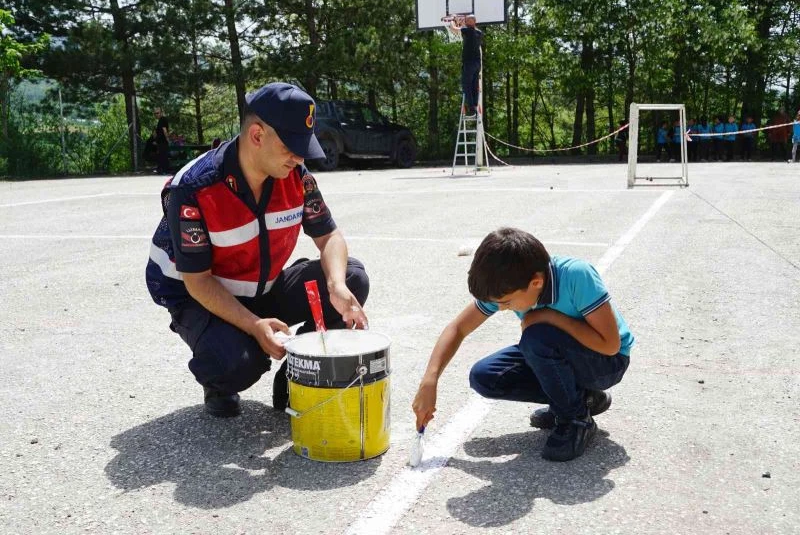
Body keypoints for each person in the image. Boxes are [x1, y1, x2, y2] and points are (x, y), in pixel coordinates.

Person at [145, 82, 370, 418]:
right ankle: (218, 380)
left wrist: (336, 284)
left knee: (353, 277)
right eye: (291, 147)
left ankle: (299, 375)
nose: (300, 158)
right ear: (256, 135)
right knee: (237, 363)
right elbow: (197, 281)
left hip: (262, 284)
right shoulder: (194, 188)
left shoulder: (295, 175)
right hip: (202, 297)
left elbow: (330, 237)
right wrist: (254, 326)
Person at [412, 228, 634, 462]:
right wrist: (430, 380)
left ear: (536, 282)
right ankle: (581, 399)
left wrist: (549, 316)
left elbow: (610, 345)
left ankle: (576, 419)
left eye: (506, 302)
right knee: (485, 376)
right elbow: (458, 328)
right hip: (557, 351)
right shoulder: (511, 284)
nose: (501, 308)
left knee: (537, 337)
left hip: (607, 362)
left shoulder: (576, 276)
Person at [449, 14, 483, 115]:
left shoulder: (467, 31)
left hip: (469, 63)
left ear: (470, 22)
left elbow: (454, 29)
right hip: (477, 64)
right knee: (474, 86)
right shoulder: (479, 33)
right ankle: (475, 105)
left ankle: (472, 108)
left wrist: (452, 20)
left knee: (467, 86)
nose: (465, 22)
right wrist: (463, 22)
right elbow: (469, 27)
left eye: (466, 20)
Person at [154, 107, 171, 175]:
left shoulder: (163, 119)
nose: (156, 114)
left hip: (163, 141)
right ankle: (161, 170)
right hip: (160, 141)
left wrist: (167, 139)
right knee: (161, 155)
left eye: (157, 113)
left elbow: (164, 130)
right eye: (155, 113)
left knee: (163, 156)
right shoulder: (160, 120)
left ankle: (165, 170)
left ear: (161, 113)